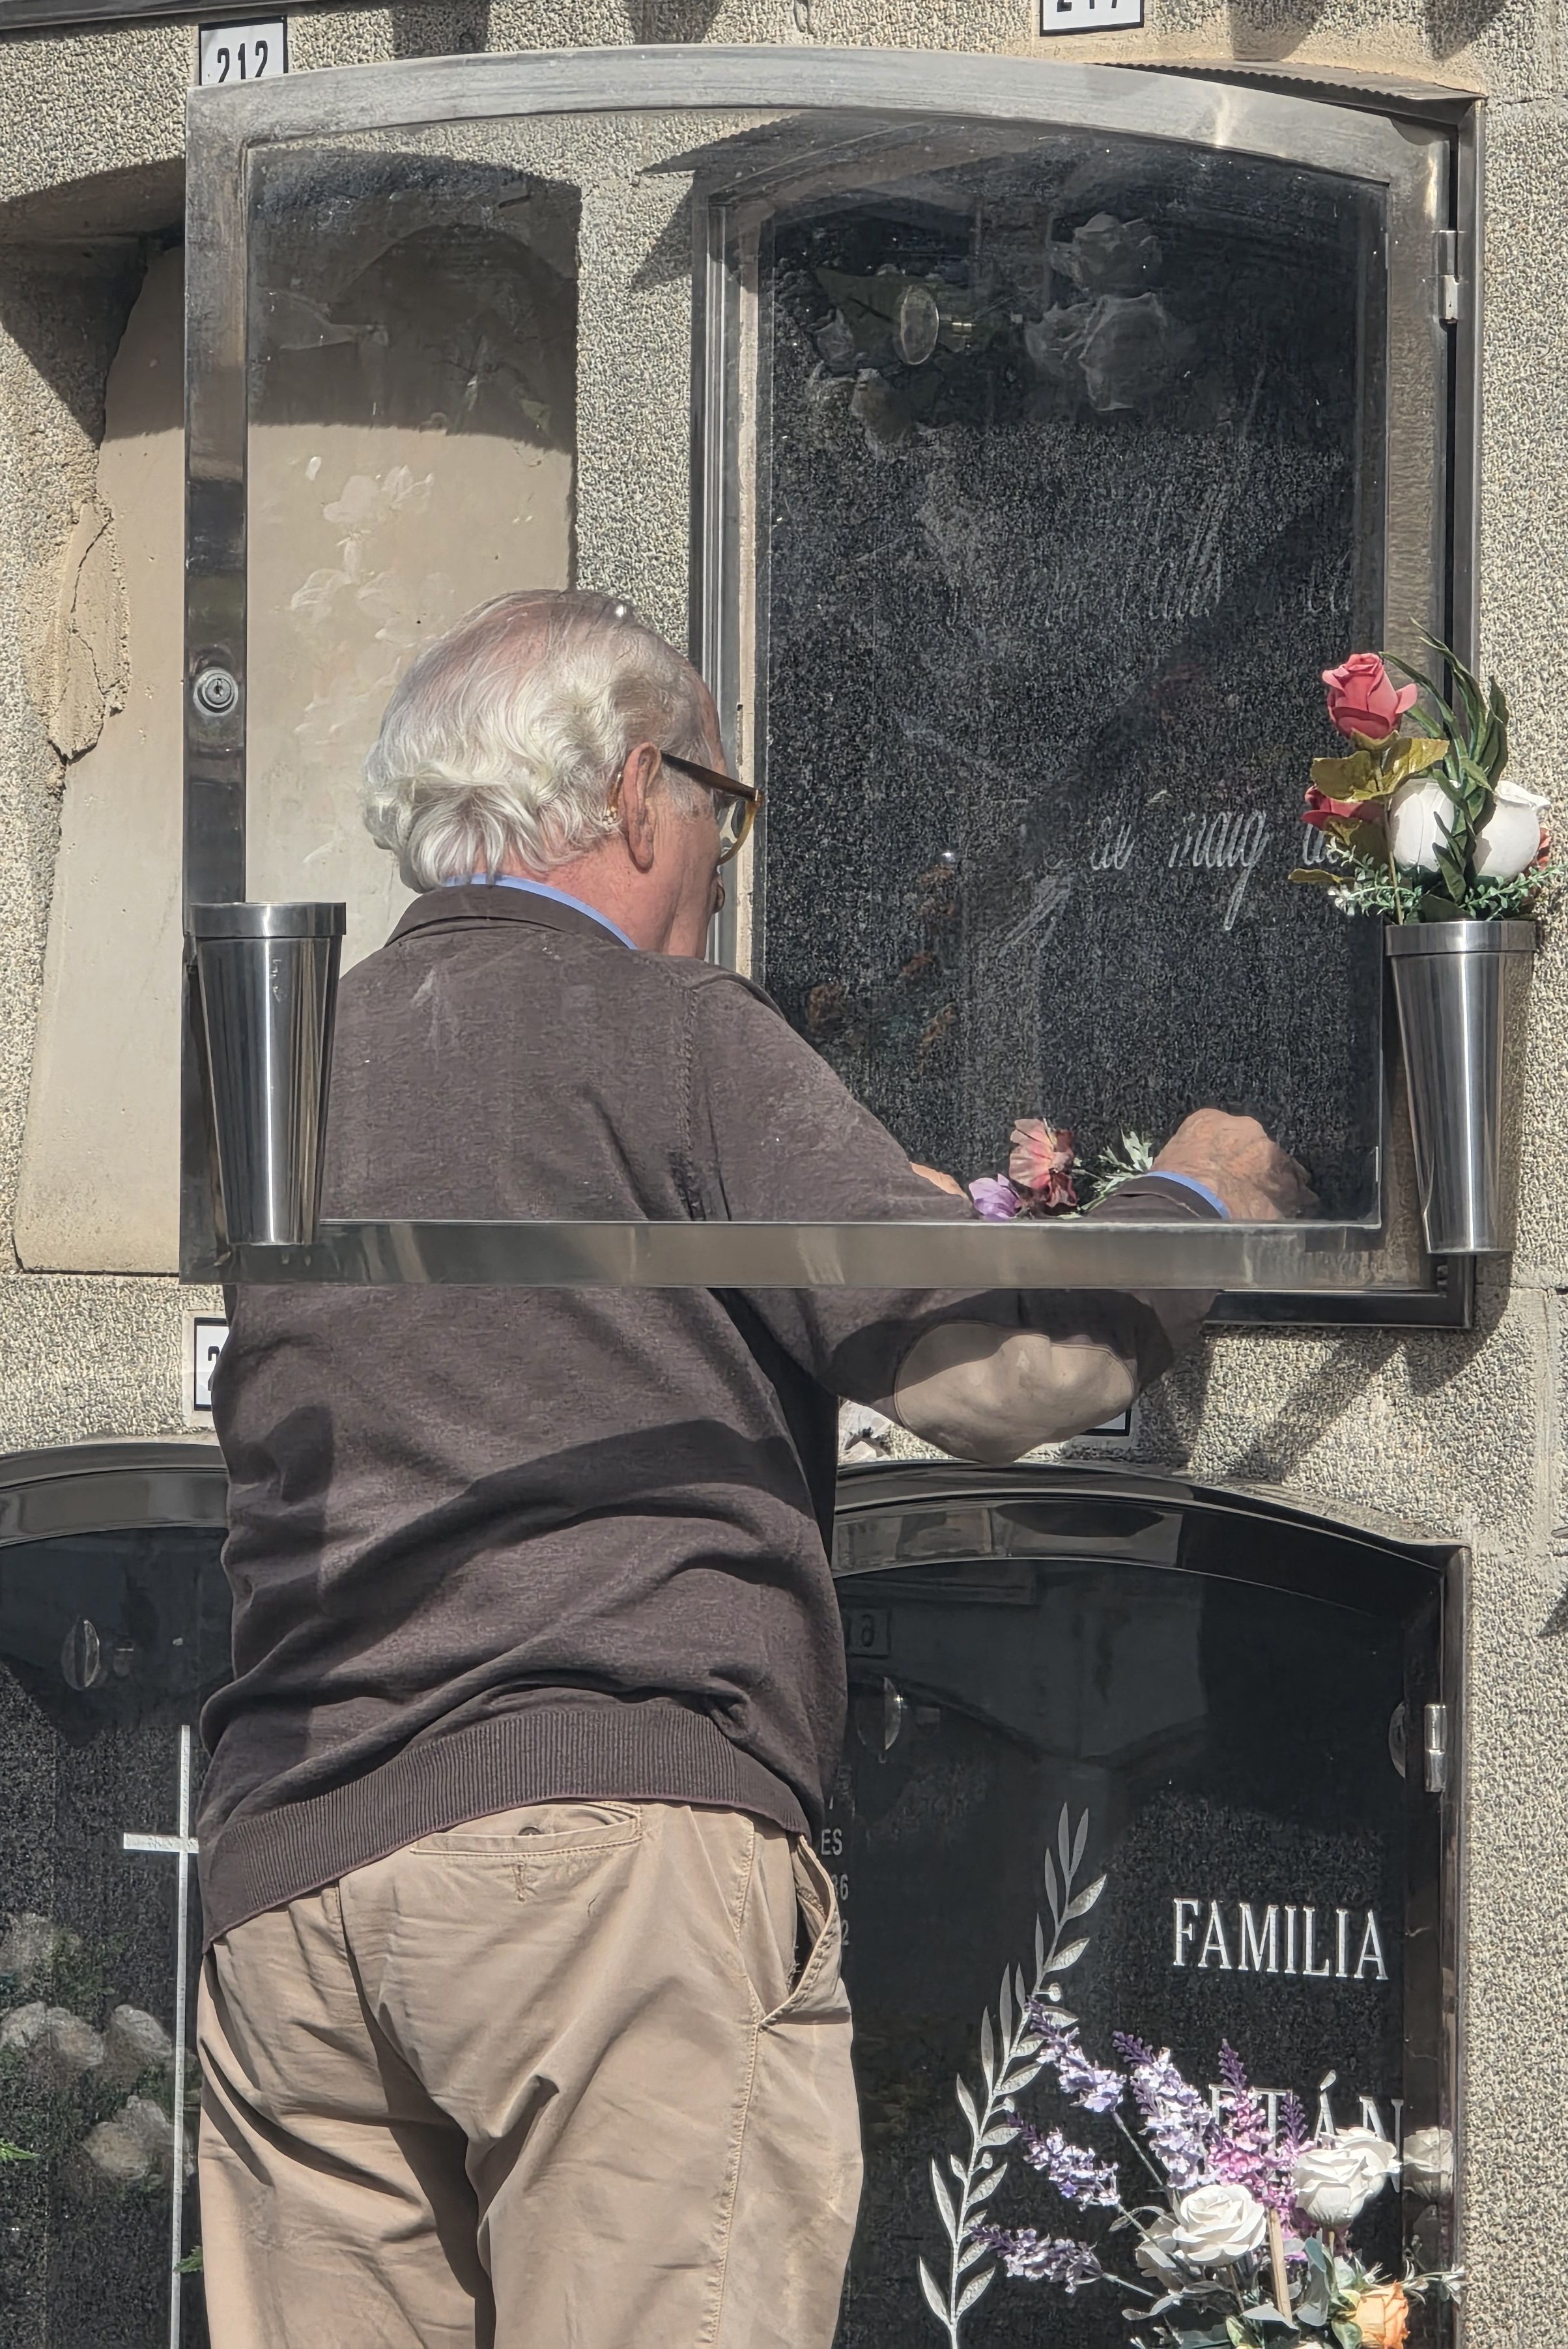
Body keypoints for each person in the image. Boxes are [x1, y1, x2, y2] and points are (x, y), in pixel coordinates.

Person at [193, 588, 1305, 2349]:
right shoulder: (669, 1032)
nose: (722, 852)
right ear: (641, 790)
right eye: (725, 802)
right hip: (603, 1873)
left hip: (292, 1890)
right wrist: (1196, 1200)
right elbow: (1005, 1371)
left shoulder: (297, 1060)